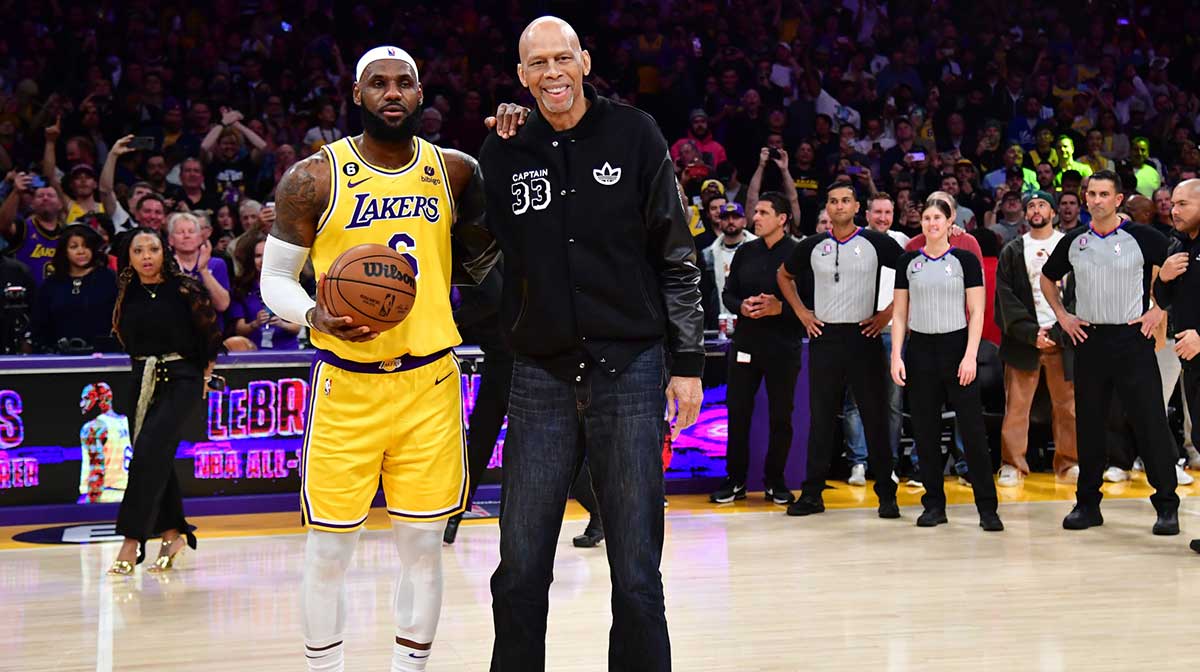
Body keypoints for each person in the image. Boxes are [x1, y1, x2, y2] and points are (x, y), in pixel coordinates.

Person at [261, 46, 497, 672]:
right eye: (378, 84)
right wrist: (312, 312)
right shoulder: (312, 177)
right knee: (328, 552)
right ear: (357, 94)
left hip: (431, 383)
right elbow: (274, 280)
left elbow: (489, 265)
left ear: (421, 95)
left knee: (422, 547)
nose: (392, 93)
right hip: (348, 386)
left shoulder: (458, 170)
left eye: (405, 83)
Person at [479, 18, 703, 672]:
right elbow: (481, 252)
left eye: (562, 57)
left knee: (636, 572)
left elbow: (678, 254)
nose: (552, 72)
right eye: (537, 62)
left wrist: (687, 363)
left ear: (584, 60)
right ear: (521, 76)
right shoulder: (503, 150)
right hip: (540, 374)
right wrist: (516, 315)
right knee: (519, 569)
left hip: (630, 369)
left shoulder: (635, 133)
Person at [1040, 170, 1179, 535]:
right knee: (1088, 424)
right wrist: (1063, 317)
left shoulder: (1143, 237)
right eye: (1092, 194)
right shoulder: (1074, 241)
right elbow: (1046, 278)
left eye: (1104, 194)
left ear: (1119, 200)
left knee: (1150, 421)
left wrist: (1159, 308)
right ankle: (1087, 504)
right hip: (1090, 340)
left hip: (1132, 339)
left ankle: (1167, 505)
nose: (1096, 200)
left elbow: (1176, 271)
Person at [777, 181, 903, 519]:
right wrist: (803, 313)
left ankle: (887, 496)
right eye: (833, 201)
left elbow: (909, 275)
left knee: (875, 417)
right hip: (825, 338)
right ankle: (812, 494)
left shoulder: (877, 242)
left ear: (857, 207)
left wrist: (887, 315)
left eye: (846, 200)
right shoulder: (814, 245)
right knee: (820, 419)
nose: (839, 206)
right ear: (827, 208)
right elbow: (783, 275)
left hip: (864, 335)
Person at [106, 228, 222, 575]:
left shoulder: (184, 289)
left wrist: (205, 377)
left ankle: (131, 540)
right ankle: (173, 534)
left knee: (147, 454)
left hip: (182, 378)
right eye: (138, 250)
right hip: (141, 380)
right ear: (128, 257)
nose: (146, 256)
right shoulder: (127, 293)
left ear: (163, 253)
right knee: (155, 459)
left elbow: (210, 335)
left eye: (152, 249)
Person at [891, 198, 1004, 531]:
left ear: (951, 221)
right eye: (926, 217)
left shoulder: (965, 260)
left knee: (972, 430)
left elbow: (978, 312)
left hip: (957, 347)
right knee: (924, 432)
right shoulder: (908, 261)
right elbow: (899, 314)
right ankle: (934, 504)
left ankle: (987, 508)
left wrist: (970, 356)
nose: (931, 223)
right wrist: (897, 355)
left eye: (937, 217)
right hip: (920, 349)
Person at [710, 192, 801, 505]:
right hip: (746, 344)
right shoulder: (746, 251)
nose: (756, 218)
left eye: (763, 212)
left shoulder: (798, 253)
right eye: (756, 212)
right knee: (737, 414)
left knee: (781, 417)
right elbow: (729, 294)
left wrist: (781, 310)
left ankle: (775, 481)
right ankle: (735, 481)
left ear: (782, 219)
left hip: (783, 346)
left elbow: (812, 307)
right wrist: (742, 308)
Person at [994, 191, 1079, 485]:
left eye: (1042, 204)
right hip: (1024, 340)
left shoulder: (1070, 247)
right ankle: (1012, 465)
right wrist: (1032, 333)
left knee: (1067, 407)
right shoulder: (1013, 249)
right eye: (1031, 206)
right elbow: (1005, 298)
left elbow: (1078, 295)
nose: (1036, 209)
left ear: (1053, 212)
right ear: (1026, 214)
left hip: (1063, 338)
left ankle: (1069, 463)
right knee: (1017, 408)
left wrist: (1057, 331)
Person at [1153, 180, 1200, 553]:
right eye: (1173, 204)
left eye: (1183, 203)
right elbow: (1165, 300)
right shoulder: (1178, 244)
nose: (1174, 210)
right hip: (1191, 360)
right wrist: (1163, 279)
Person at [30, 224, 117, 352]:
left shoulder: (109, 279)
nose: (81, 251)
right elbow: (39, 324)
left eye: (86, 246)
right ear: (64, 250)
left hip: (103, 355)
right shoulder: (51, 284)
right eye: (74, 247)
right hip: (59, 356)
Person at [228, 232, 300, 350]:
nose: (263, 260)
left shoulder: (289, 285)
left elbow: (297, 327)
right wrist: (255, 323)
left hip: (287, 354)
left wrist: (282, 324)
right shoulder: (241, 288)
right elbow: (239, 329)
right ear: (251, 260)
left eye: (268, 255)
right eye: (258, 256)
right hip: (254, 354)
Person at [702, 202, 756, 328]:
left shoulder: (758, 249)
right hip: (720, 319)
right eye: (725, 218)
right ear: (719, 223)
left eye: (736, 217)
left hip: (751, 320)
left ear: (744, 221)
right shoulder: (708, 254)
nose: (731, 221)